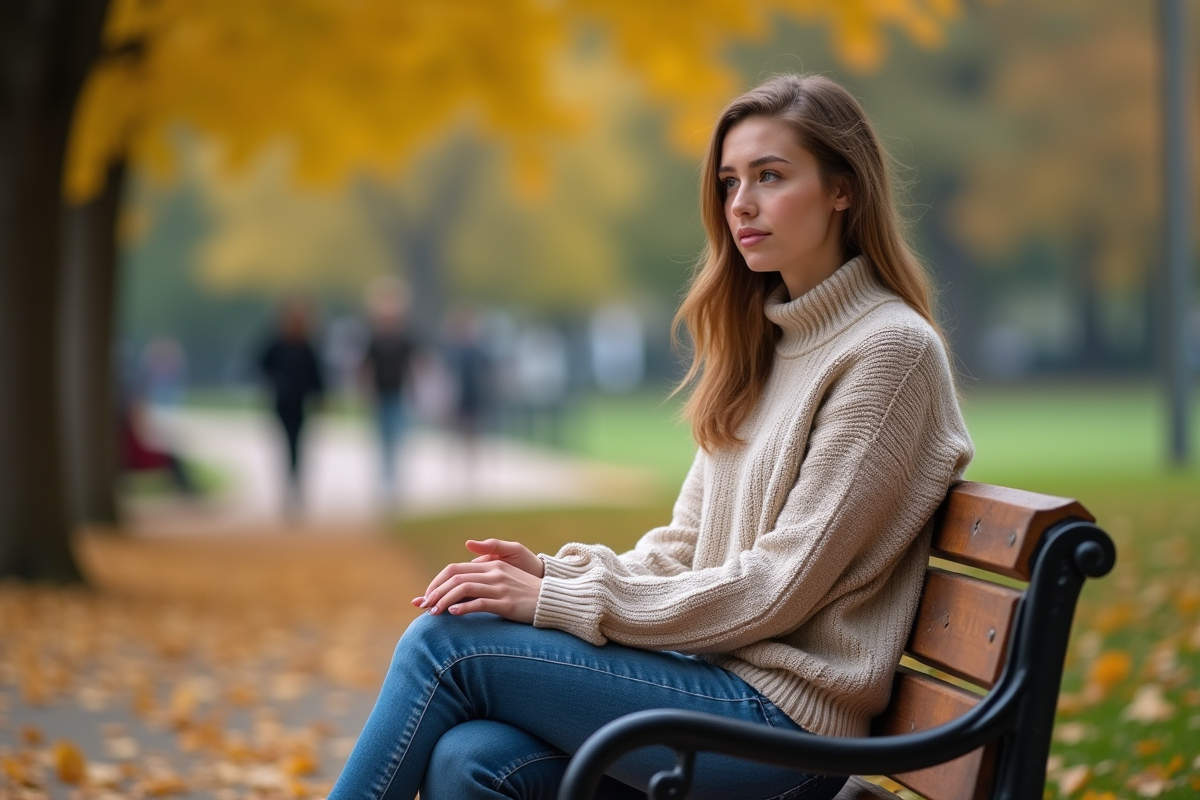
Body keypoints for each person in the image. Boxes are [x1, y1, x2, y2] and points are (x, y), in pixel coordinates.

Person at [328, 74, 974, 800]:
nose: (742, 204)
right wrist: (554, 576)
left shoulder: (889, 351)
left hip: (783, 730)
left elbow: (777, 588)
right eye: (730, 182)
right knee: (472, 757)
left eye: (770, 176)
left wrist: (560, 604)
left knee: (445, 647)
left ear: (843, 189)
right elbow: (680, 549)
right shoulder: (764, 346)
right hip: (717, 689)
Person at [258, 300, 325, 516]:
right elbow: (261, 365)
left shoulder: (307, 346)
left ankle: (295, 488)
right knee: (287, 446)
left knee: (297, 446)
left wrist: (320, 399)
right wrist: (276, 381)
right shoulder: (277, 345)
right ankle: (289, 488)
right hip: (282, 403)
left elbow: (317, 377)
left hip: (301, 405)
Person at [361, 277, 418, 503]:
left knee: (397, 438)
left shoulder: (404, 339)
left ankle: (395, 483)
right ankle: (384, 483)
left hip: (398, 395)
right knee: (382, 440)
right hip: (380, 395)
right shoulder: (374, 341)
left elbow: (415, 365)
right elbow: (366, 368)